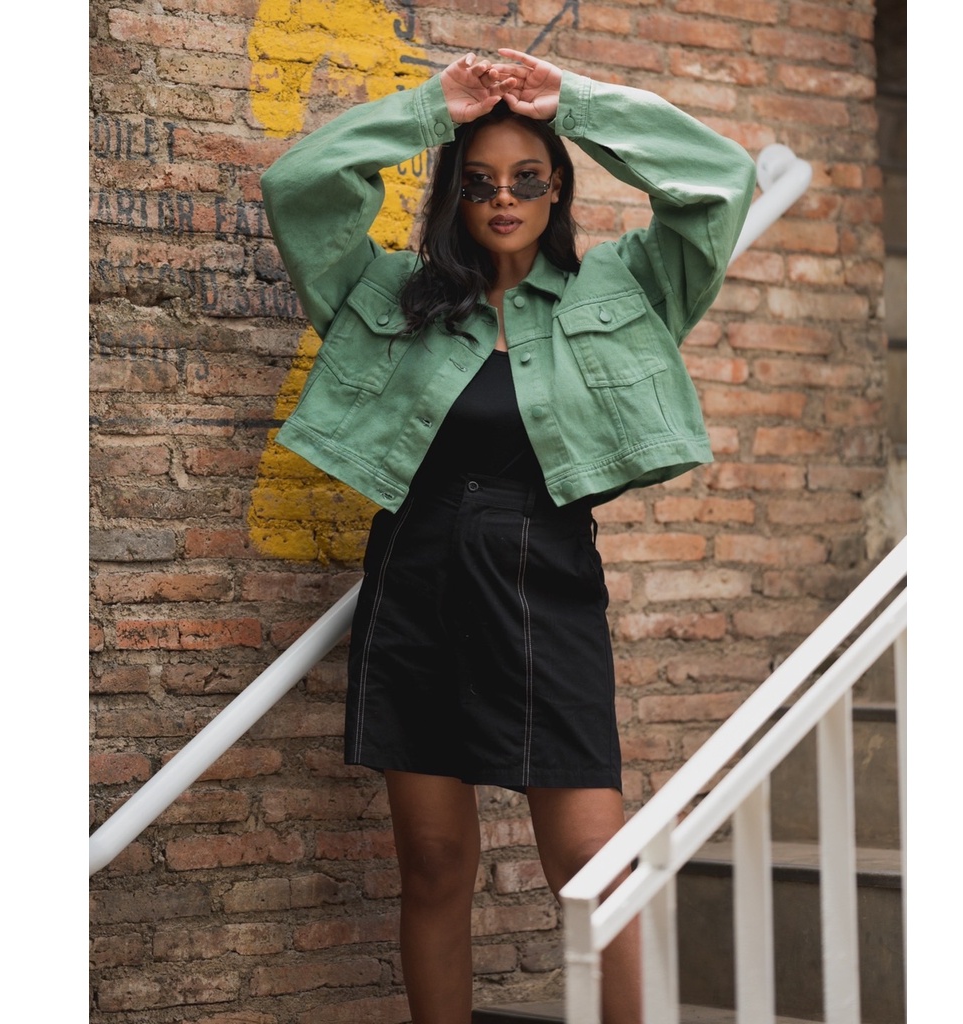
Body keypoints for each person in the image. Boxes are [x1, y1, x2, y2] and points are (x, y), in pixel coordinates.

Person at [261, 48, 756, 1024]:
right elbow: (298, 186)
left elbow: (717, 181)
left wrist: (575, 104)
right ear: (455, 191)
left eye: (528, 178)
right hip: (416, 577)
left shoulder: (627, 288)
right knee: (434, 859)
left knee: (594, 862)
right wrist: (429, 109)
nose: (503, 198)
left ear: (558, 187)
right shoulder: (388, 298)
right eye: (480, 180)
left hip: (546, 576)